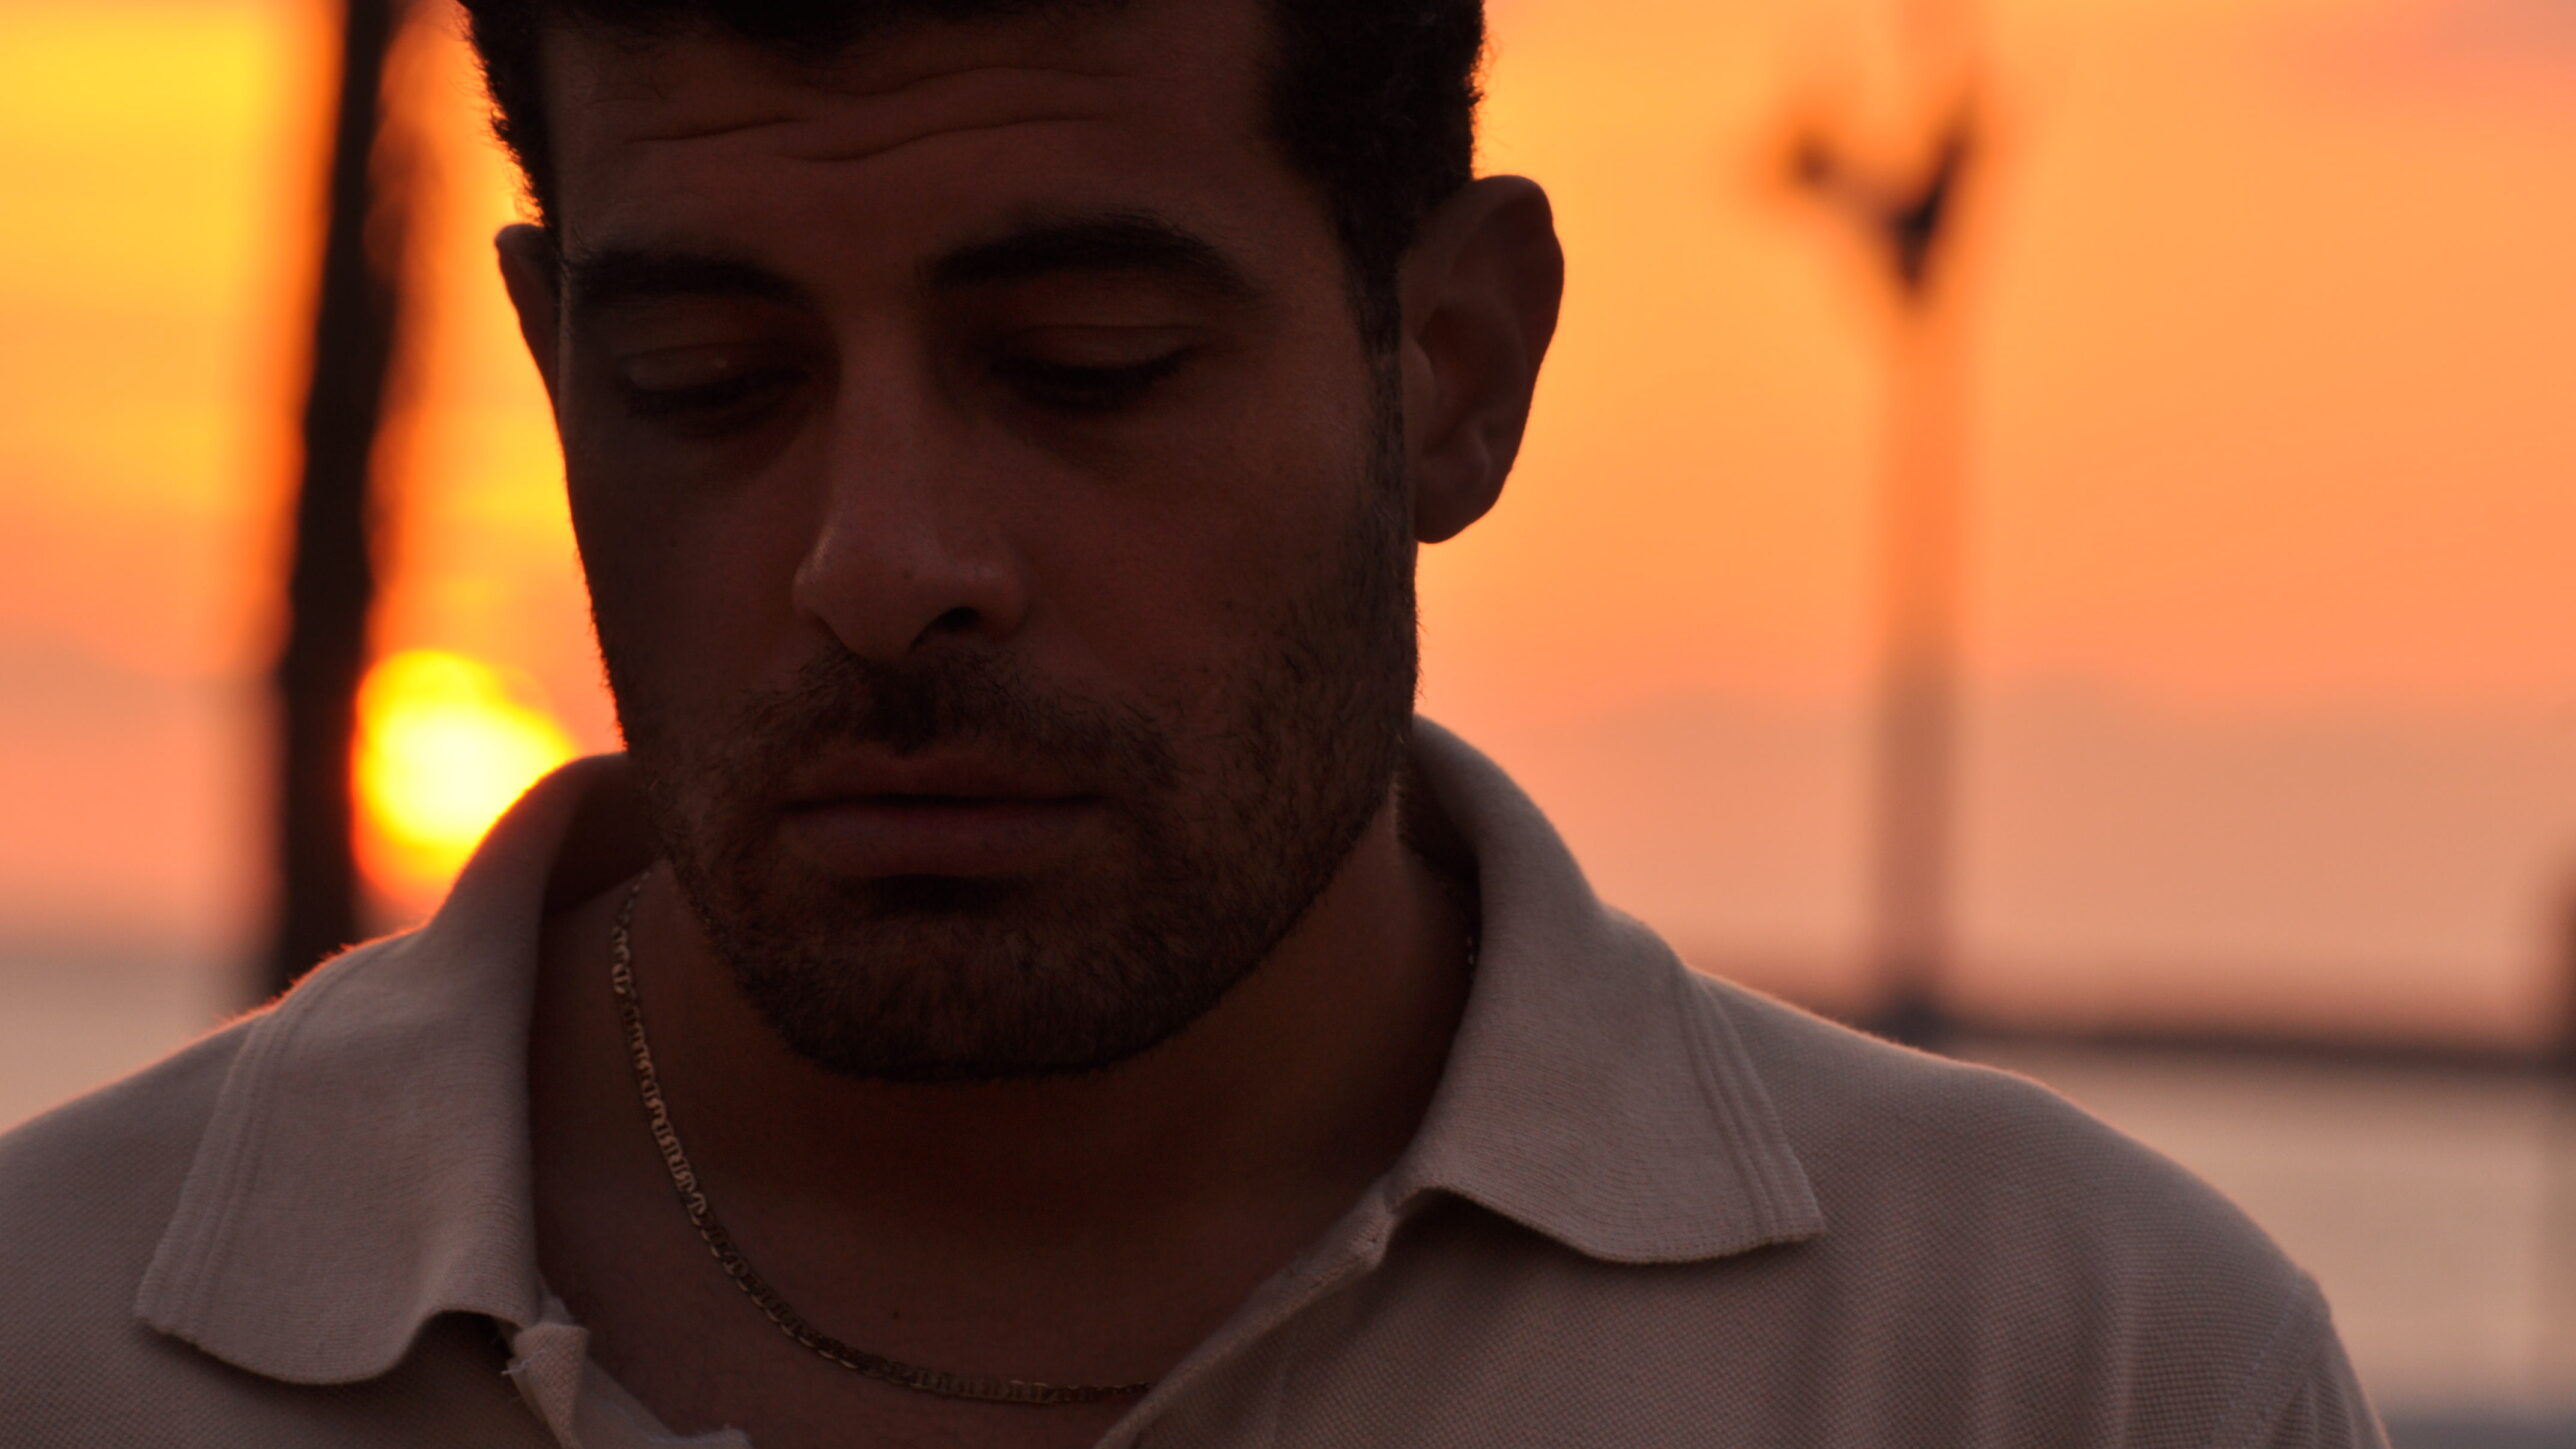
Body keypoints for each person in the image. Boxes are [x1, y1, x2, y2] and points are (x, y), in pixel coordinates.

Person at [2, 1, 2387, 1445]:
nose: (880, 559)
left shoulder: (2066, 1368)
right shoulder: (57, 1342)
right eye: (707, 380)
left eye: (1085, 369)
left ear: (1453, 365)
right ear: (552, 372)